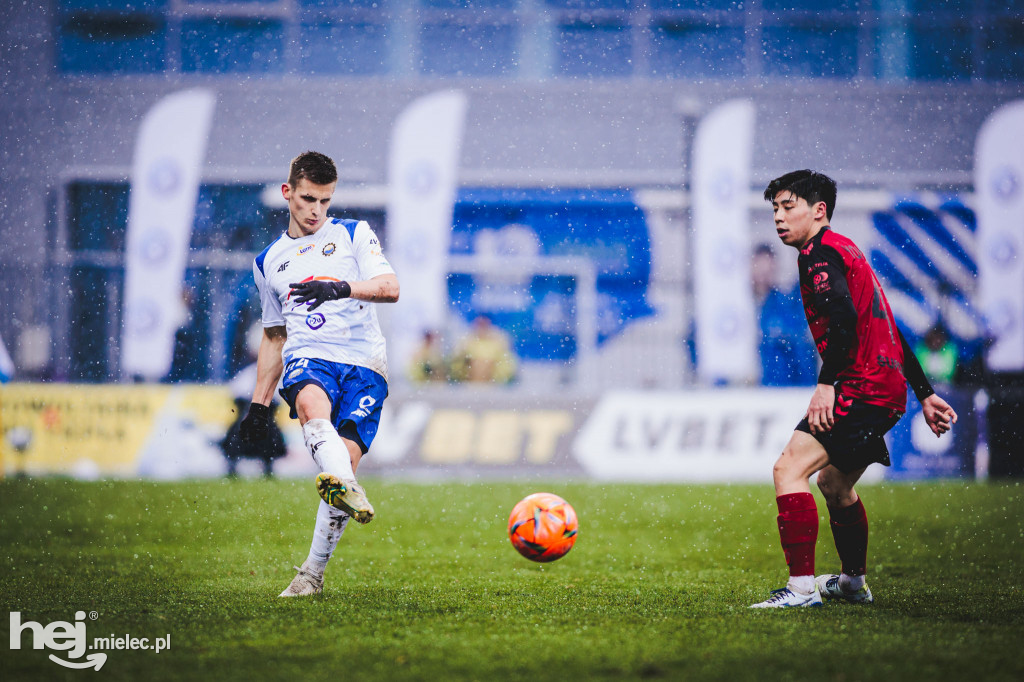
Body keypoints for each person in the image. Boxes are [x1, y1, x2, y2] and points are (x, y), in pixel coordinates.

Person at [751, 170, 957, 608]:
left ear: (819, 210)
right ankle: (851, 583)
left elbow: (844, 321)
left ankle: (802, 589)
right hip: (884, 389)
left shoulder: (818, 254)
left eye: (789, 207)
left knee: (788, 469)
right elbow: (886, 324)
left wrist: (826, 384)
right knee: (834, 484)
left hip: (860, 386)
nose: (779, 218)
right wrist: (923, 393)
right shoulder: (846, 249)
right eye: (775, 209)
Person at [233, 151, 400, 597]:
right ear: (288, 192)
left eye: (325, 201)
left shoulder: (353, 235)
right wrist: (258, 404)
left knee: (342, 463)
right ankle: (347, 485)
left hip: (366, 364)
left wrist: (339, 287)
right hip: (311, 355)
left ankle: (311, 575)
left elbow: (390, 288)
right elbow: (273, 338)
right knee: (309, 403)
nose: (316, 211)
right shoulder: (268, 261)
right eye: (308, 199)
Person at [752, 243, 817, 386]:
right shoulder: (737, 306)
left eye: (767, 269)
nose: (763, 274)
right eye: (759, 267)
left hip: (776, 389)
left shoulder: (783, 305)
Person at [448, 314, 518, 384]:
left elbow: (507, 363)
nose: (482, 328)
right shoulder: (466, 341)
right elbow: (457, 360)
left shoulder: (499, 341)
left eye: (484, 324)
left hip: (494, 379)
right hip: (470, 378)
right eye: (480, 324)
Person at [915, 321, 959, 387]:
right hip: (925, 383)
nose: (935, 342)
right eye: (933, 339)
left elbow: (949, 372)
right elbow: (918, 370)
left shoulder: (949, 350)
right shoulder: (922, 350)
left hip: (945, 384)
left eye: (938, 339)